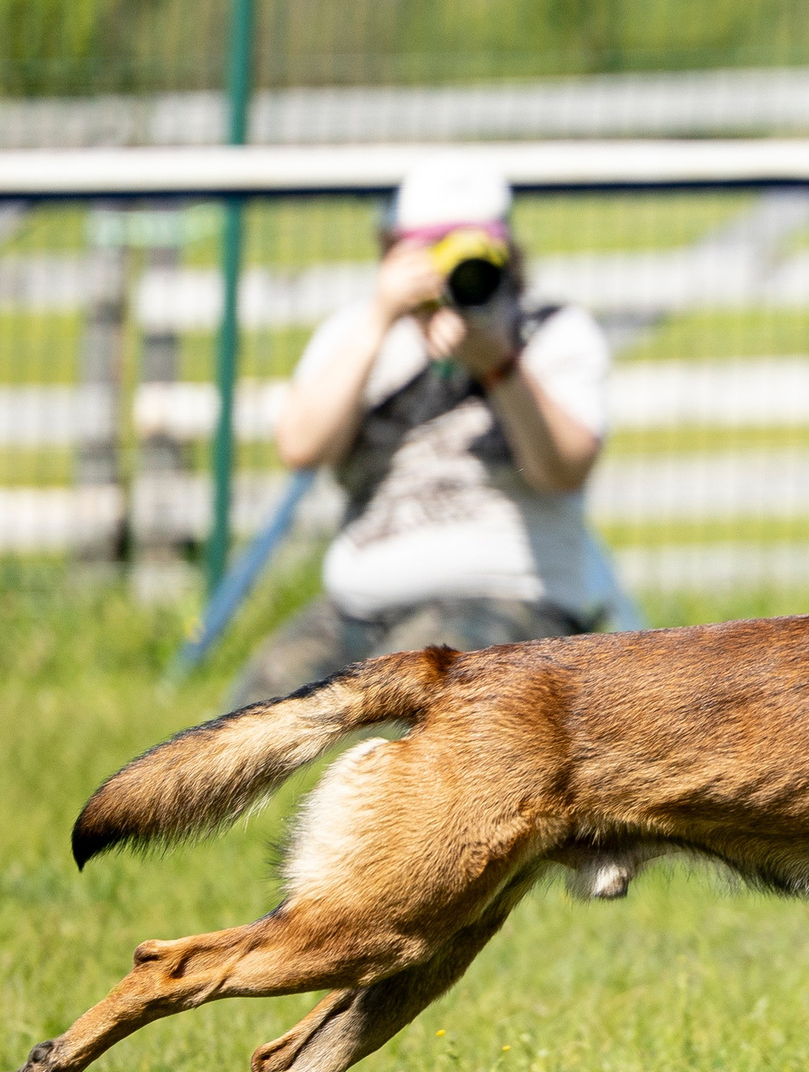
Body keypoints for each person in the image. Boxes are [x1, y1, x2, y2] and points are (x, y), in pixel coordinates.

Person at [225, 158, 609, 709]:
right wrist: (381, 319)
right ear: (392, 249)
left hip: (510, 597)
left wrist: (499, 365)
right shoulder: (356, 332)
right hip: (358, 608)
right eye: (430, 246)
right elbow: (301, 447)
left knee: (418, 698)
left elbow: (564, 469)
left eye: (471, 246)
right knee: (252, 718)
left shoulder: (550, 331)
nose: (450, 266)